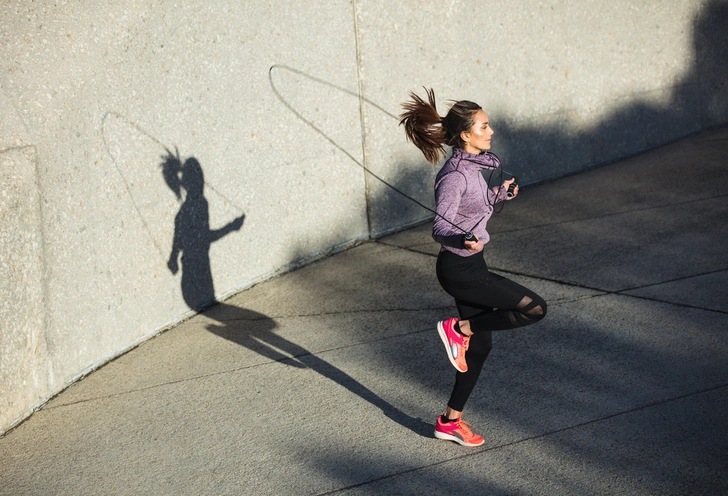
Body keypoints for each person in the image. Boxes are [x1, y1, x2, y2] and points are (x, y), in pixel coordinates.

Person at [400, 88, 547, 447]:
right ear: (466, 135)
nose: (491, 131)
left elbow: (474, 206)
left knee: (480, 351)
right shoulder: (454, 176)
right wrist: (461, 238)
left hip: (470, 264)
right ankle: (459, 328)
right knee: (534, 308)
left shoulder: (479, 166)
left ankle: (450, 422)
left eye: (489, 124)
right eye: (484, 126)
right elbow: (441, 226)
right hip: (460, 270)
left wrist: (499, 195)